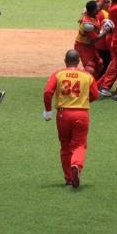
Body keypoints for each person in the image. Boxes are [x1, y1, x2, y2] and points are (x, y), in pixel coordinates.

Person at [43, 49, 100, 189]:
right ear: (79, 61)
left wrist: (48, 110)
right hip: (81, 114)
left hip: (63, 115)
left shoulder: (58, 74)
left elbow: (47, 92)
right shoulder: (87, 76)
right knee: (79, 145)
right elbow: (95, 95)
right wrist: (84, 100)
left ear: (65, 61)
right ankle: (76, 165)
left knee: (65, 146)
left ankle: (69, 178)